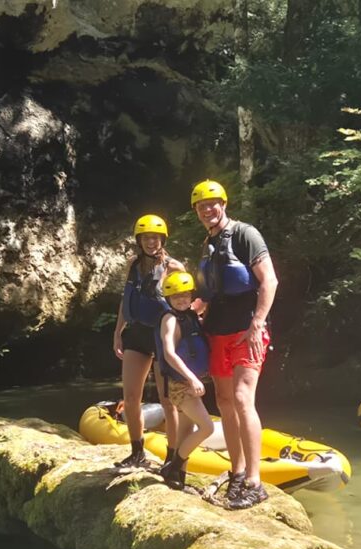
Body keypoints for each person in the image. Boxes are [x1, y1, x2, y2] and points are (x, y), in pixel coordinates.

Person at [191, 180, 278, 509]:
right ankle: (238, 471)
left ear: (224, 204)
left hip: (246, 331)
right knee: (225, 400)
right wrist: (185, 313)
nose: (207, 210)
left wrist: (257, 323)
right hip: (217, 332)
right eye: (201, 207)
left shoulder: (245, 234)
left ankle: (255, 481)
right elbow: (207, 295)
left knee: (243, 398)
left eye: (212, 204)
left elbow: (269, 279)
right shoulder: (208, 245)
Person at [113, 214, 184, 469]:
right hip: (136, 335)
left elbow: (183, 305)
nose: (151, 242)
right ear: (139, 241)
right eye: (146, 238)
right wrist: (118, 331)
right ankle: (137, 453)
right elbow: (126, 300)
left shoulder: (173, 267)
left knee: (168, 401)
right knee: (131, 398)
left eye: (155, 237)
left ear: (162, 239)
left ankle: (172, 458)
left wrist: (178, 340)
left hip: (161, 336)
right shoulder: (132, 264)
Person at [155, 271, 215, 490]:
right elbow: (170, 353)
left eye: (185, 295)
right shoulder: (170, 319)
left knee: (185, 431)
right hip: (181, 385)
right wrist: (191, 378)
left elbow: (205, 302)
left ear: (191, 296)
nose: (181, 300)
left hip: (188, 383)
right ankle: (173, 466)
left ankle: (178, 477)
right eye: (176, 297)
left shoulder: (189, 314)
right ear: (169, 299)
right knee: (207, 427)